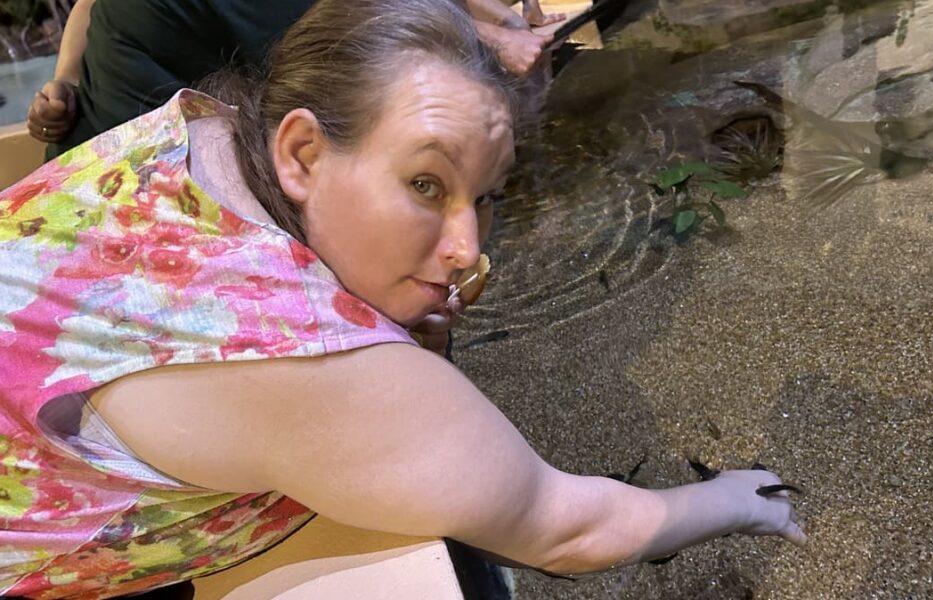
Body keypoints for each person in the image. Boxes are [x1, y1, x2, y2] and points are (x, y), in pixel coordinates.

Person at [0, 0, 805, 597]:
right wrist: (740, 500)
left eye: (487, 196)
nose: (470, 250)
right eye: (425, 183)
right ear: (302, 151)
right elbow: (569, 526)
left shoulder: (202, 130)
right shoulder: (305, 361)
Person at [27, 0, 562, 159]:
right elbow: (349, 17)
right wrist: (493, 38)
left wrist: (508, 24)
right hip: (126, 181)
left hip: (172, 143)